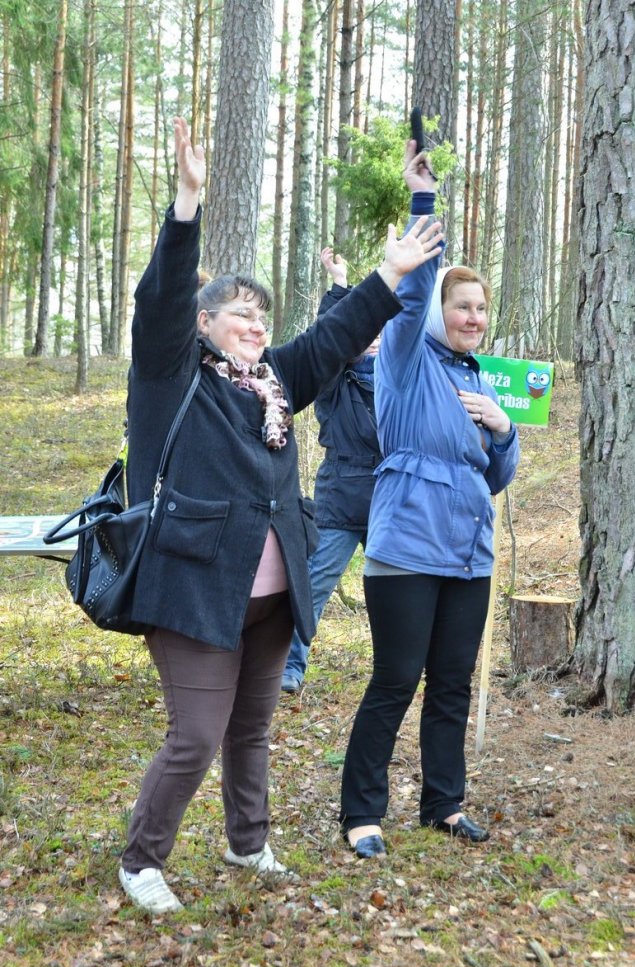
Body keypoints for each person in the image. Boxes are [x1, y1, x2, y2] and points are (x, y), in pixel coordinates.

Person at [117, 117, 444, 912]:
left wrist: (387, 273)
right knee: (196, 736)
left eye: (263, 315)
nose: (257, 325)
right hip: (194, 591)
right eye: (239, 313)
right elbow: (162, 299)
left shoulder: (272, 383)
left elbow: (334, 336)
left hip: (269, 596)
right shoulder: (170, 375)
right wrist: (186, 204)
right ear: (202, 325)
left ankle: (247, 841)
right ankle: (141, 860)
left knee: (250, 730)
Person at [339, 142, 520, 859]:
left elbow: (493, 478)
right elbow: (409, 299)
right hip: (409, 546)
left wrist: (504, 432)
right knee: (394, 681)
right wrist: (424, 205)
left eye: (480, 309)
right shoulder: (406, 359)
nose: (473, 318)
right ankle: (361, 812)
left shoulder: (479, 379)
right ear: (440, 312)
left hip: (469, 555)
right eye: (462, 306)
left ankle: (443, 804)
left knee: (451, 684)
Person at [281, 247, 382, 694]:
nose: (372, 338)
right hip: (341, 497)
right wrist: (339, 286)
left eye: (378, 330)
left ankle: (397, 668)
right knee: (313, 585)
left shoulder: (399, 379)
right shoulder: (333, 379)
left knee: (397, 593)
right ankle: (288, 666)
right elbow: (326, 337)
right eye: (364, 331)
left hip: (391, 499)